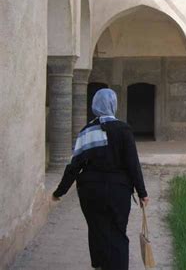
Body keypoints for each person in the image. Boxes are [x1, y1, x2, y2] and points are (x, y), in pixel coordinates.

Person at [52, 88, 149, 270]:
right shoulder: (124, 130)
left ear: (94, 105)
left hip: (90, 191)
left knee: (97, 230)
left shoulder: (86, 132)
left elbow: (74, 166)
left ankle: (100, 265)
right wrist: (142, 193)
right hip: (118, 191)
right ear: (114, 104)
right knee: (118, 232)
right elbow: (133, 165)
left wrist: (60, 191)